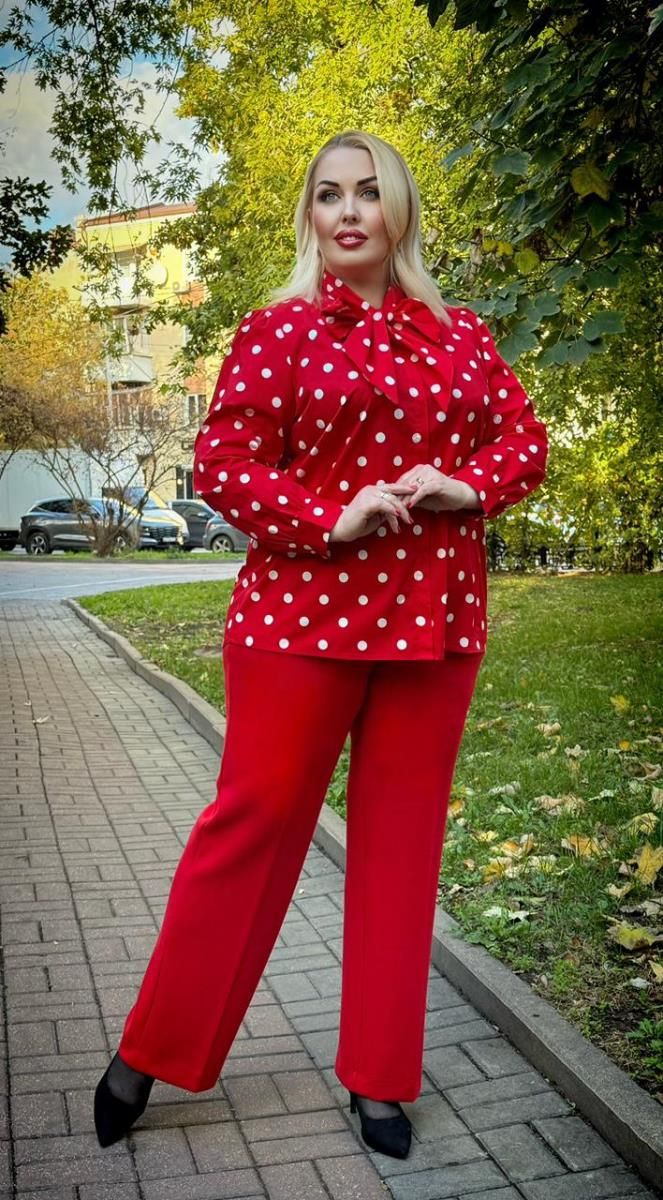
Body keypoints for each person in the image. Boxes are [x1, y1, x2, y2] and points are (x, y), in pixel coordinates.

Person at [93, 129, 549, 1160]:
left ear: (399, 212)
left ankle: (379, 1078)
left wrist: (466, 485)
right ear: (311, 215)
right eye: (329, 194)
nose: (348, 211)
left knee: (402, 848)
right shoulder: (277, 330)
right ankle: (150, 1050)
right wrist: (325, 516)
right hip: (299, 622)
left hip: (434, 624)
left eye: (368, 193)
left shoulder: (461, 336)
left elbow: (524, 441)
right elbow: (225, 462)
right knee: (251, 829)